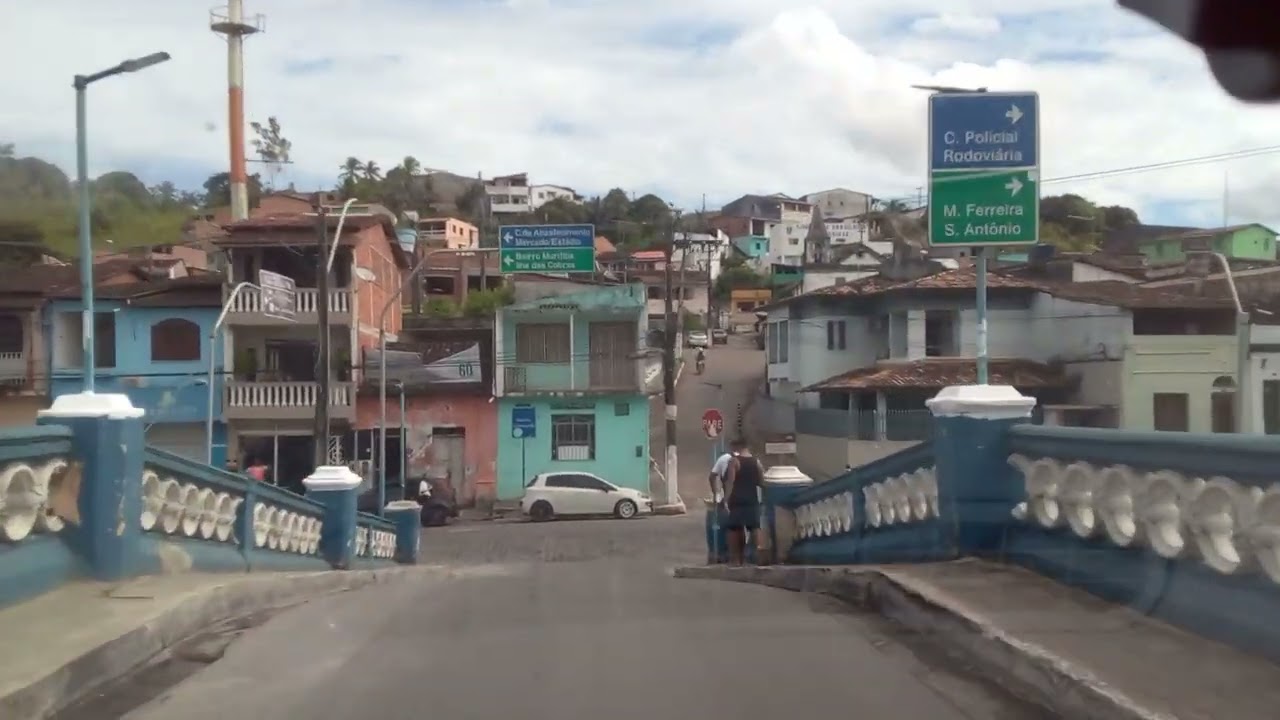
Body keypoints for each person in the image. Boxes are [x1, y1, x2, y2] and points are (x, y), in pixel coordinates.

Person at [721, 438, 762, 566]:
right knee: (754, 527)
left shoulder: (734, 461)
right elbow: (761, 481)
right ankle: (759, 556)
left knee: (734, 529)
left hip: (737, 500)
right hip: (752, 499)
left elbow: (730, 482)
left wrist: (725, 500)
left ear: (738, 446)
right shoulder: (756, 462)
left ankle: (736, 560)